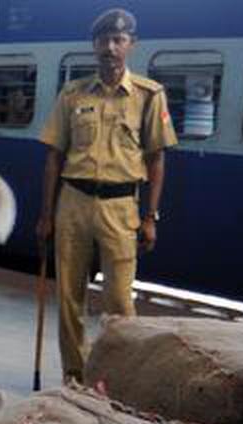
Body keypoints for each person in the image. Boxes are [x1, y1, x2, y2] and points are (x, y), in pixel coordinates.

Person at [36, 8, 177, 383]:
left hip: (120, 206)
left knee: (119, 301)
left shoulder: (149, 96)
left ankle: (118, 379)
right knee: (69, 298)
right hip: (73, 201)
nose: (110, 48)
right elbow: (54, 156)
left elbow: (157, 159)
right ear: (94, 45)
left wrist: (151, 216)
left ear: (132, 45)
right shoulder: (72, 94)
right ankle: (74, 376)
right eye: (103, 41)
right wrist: (46, 214)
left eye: (118, 40)